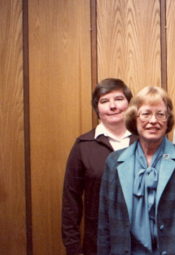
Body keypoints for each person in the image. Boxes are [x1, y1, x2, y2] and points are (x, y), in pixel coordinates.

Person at [97, 86, 175, 254]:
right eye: (146, 114)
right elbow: (104, 224)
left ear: (168, 120)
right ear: (134, 118)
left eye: (160, 114)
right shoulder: (114, 163)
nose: (153, 121)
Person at [61, 78, 136, 255]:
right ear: (97, 109)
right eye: (104, 101)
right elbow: (70, 202)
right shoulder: (83, 146)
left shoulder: (146, 142)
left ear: (129, 104)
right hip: (98, 244)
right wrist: (73, 248)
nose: (113, 106)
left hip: (142, 244)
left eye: (118, 99)